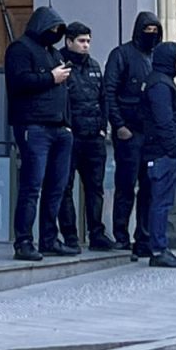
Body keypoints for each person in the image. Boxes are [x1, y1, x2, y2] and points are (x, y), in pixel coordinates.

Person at [6, 6, 76, 261]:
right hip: (33, 126)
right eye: (52, 29)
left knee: (55, 187)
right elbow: (18, 82)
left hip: (59, 128)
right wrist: (50, 77)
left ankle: (49, 238)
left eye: (59, 30)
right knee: (32, 186)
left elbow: (65, 91)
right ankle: (24, 241)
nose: (55, 34)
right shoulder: (20, 49)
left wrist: (67, 124)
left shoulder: (54, 52)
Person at [105, 11, 162, 258]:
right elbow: (109, 92)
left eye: (154, 30)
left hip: (150, 135)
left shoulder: (157, 57)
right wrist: (119, 125)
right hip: (129, 132)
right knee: (125, 186)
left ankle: (144, 237)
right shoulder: (121, 55)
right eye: (146, 29)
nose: (151, 34)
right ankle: (121, 236)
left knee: (149, 188)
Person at [58, 23, 114, 251]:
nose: (86, 45)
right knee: (65, 188)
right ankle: (70, 236)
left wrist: (102, 128)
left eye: (88, 41)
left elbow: (103, 98)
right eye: (81, 41)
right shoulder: (60, 64)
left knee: (95, 188)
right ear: (69, 41)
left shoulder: (93, 65)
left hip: (94, 137)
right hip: (71, 136)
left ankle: (96, 233)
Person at [142, 42, 176, 268]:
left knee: (161, 201)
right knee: (161, 202)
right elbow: (164, 120)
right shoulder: (160, 84)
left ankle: (158, 247)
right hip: (163, 153)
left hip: (163, 151)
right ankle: (159, 249)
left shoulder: (161, 82)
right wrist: (173, 149)